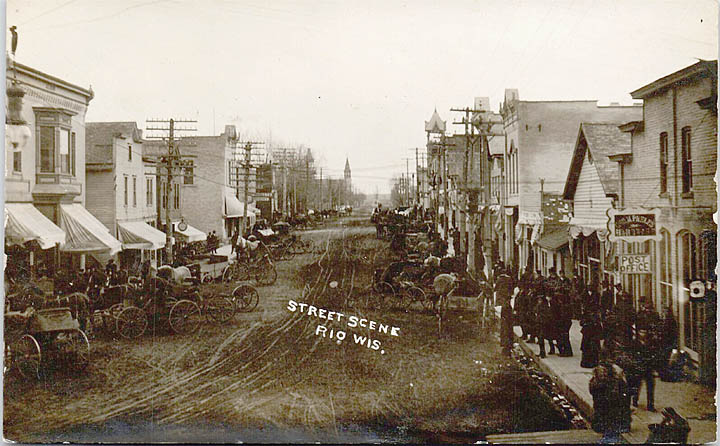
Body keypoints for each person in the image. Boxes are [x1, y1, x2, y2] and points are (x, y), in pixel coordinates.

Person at [580, 302, 603, 368]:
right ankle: (588, 362)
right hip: (588, 333)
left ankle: (591, 362)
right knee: (588, 347)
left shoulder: (595, 316)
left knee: (592, 347)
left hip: (592, 333)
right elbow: (581, 322)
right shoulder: (587, 315)